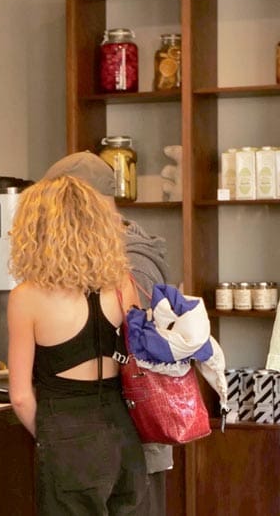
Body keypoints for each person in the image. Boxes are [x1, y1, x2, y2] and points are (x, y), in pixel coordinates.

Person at [7, 175, 148, 514]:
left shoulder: (27, 297)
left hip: (67, 434)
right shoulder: (122, 284)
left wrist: (51, 438)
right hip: (123, 433)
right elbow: (137, 360)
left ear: (36, 230)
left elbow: (21, 397)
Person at [41, 150, 171, 515]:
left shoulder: (131, 263)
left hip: (137, 444)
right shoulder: (109, 255)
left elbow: (139, 353)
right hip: (118, 442)